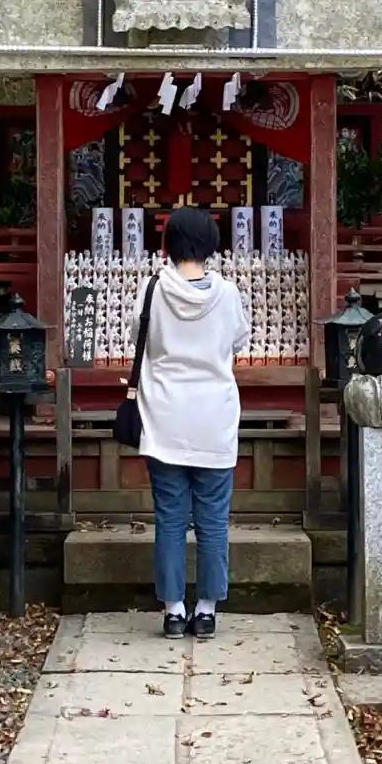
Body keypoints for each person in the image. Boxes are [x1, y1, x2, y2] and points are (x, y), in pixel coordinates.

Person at [131, 207, 249, 639]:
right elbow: (239, 340)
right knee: (213, 519)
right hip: (214, 418)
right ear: (211, 244)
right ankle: (207, 610)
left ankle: (173, 610)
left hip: (164, 416)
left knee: (169, 517)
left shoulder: (152, 289)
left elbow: (137, 338)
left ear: (169, 243)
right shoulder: (228, 293)